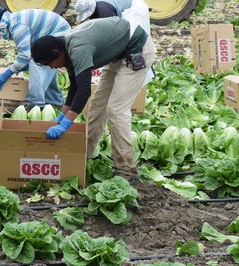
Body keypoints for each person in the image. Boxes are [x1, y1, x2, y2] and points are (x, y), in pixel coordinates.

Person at [30, 17, 155, 180]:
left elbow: (84, 91)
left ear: (55, 53)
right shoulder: (64, 51)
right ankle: (83, 156)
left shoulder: (78, 49)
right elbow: (74, 86)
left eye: (50, 63)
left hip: (136, 48)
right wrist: (62, 116)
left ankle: (126, 168)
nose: (52, 67)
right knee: (97, 106)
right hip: (117, 54)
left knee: (116, 109)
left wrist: (66, 124)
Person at [0, 5, 71, 108]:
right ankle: (55, 103)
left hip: (60, 35)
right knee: (46, 66)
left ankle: (33, 103)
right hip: (55, 34)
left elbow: (24, 56)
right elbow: (27, 54)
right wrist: (19, 67)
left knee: (39, 61)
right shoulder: (14, 21)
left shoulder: (17, 26)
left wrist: (7, 74)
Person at [75, 0, 154, 83]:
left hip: (135, 7)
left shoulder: (104, 10)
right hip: (125, 9)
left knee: (137, 38)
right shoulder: (97, 9)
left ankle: (138, 62)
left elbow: (115, 32)